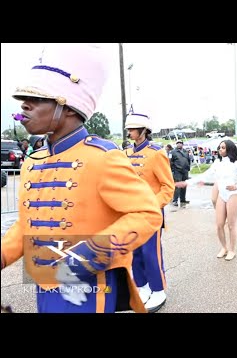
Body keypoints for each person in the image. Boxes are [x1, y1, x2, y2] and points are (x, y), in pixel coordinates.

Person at [0, 44, 163, 313]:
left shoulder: (103, 156)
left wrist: (85, 257)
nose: (24, 106)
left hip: (87, 284)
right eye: (24, 99)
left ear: (69, 108)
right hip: (43, 280)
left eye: (38, 98)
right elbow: (26, 225)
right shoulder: (33, 161)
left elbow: (147, 214)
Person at [124, 111, 175, 312]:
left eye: (133, 129)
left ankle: (158, 290)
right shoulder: (126, 153)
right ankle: (142, 287)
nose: (129, 132)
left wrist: (151, 205)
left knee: (150, 253)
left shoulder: (156, 153)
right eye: (128, 128)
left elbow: (167, 187)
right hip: (131, 212)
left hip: (151, 213)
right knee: (134, 252)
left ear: (144, 130)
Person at [175, 140, 237, 261]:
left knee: (232, 226)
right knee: (219, 225)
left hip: (233, 195)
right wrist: (187, 183)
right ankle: (224, 247)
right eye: (219, 147)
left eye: (223, 148)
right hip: (222, 195)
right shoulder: (217, 162)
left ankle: (232, 250)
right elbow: (204, 175)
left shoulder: (236, 162)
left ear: (229, 149)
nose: (220, 149)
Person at [170, 140, 191, 206]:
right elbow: (170, 161)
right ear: (176, 144)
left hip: (185, 171)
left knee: (184, 185)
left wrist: (188, 168)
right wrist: (172, 170)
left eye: (180, 143)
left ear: (182, 144)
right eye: (178, 143)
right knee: (178, 186)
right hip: (177, 171)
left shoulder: (186, 151)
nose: (179, 144)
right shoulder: (172, 152)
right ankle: (175, 200)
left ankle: (183, 199)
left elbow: (188, 160)